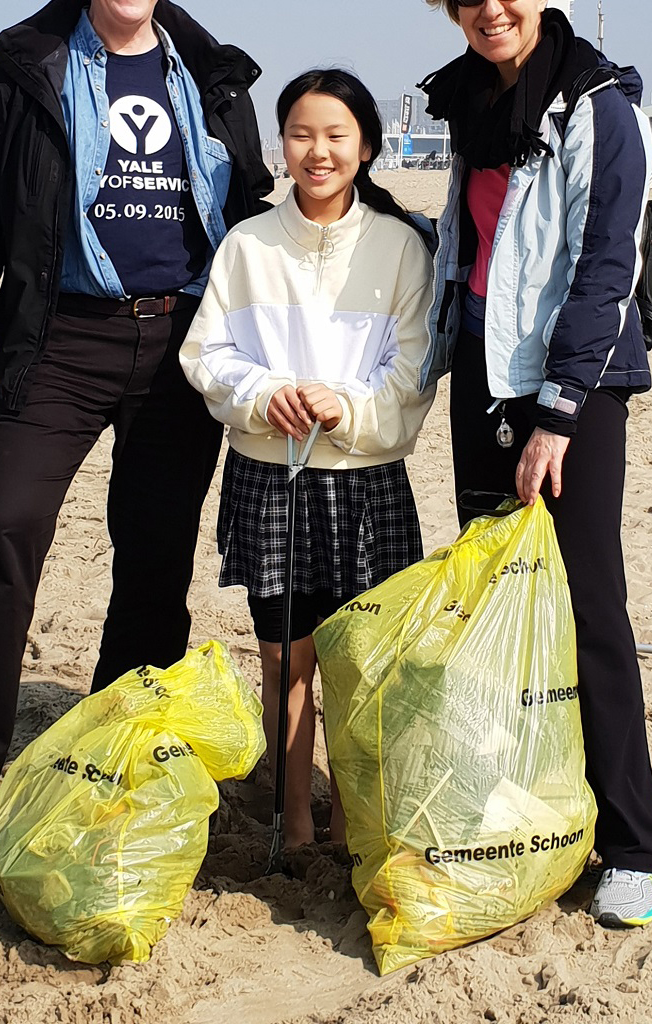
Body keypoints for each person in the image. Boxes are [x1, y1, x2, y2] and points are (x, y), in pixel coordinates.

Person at [0, 0, 270, 847]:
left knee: (154, 559)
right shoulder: (25, 68)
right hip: (56, 343)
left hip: (181, 348)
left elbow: (251, 213)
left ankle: (113, 746)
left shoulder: (213, 75)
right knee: (3, 529)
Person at [415, 0, 652, 928]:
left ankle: (634, 847)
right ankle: (520, 814)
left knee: (588, 604)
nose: (491, 8)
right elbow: (469, 256)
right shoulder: (471, 106)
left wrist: (561, 412)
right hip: (485, 378)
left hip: (575, 387)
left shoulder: (599, 107)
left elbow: (608, 268)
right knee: (498, 605)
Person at [180, 69, 434, 848]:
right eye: (300, 135)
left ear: (365, 147)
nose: (317, 152)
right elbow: (206, 353)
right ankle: (293, 822)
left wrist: (343, 407)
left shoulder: (400, 247)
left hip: (364, 483)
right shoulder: (247, 243)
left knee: (364, 663)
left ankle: (356, 818)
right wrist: (266, 397)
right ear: (280, 145)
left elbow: (412, 375)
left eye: (335, 136)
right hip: (269, 478)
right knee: (283, 657)